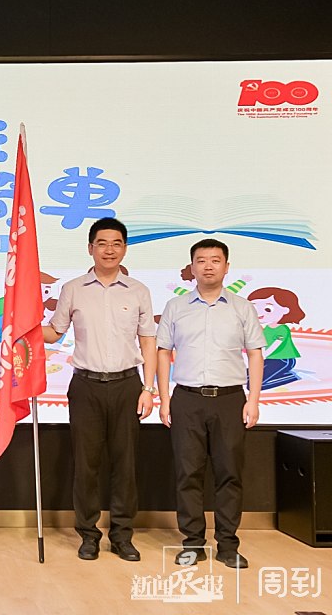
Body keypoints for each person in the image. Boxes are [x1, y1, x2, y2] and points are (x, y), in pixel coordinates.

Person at [43, 217, 157, 563]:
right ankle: (88, 535)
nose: (110, 250)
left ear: (125, 248)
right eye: (102, 243)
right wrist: (21, 325)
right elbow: (54, 332)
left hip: (127, 385)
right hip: (86, 386)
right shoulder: (73, 289)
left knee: (125, 465)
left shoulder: (138, 291)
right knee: (86, 465)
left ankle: (122, 536)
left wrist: (148, 388)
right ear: (90, 248)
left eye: (116, 243)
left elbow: (148, 341)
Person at [157, 238, 265, 570]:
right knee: (187, 473)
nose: (208, 266)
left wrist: (254, 400)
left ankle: (228, 545)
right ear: (191, 267)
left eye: (215, 260)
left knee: (229, 474)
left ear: (226, 267)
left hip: (230, 400)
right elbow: (163, 352)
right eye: (201, 260)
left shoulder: (242, 307)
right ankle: (192, 544)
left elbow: (255, 353)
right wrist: (164, 399)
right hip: (186, 399)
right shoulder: (176, 307)